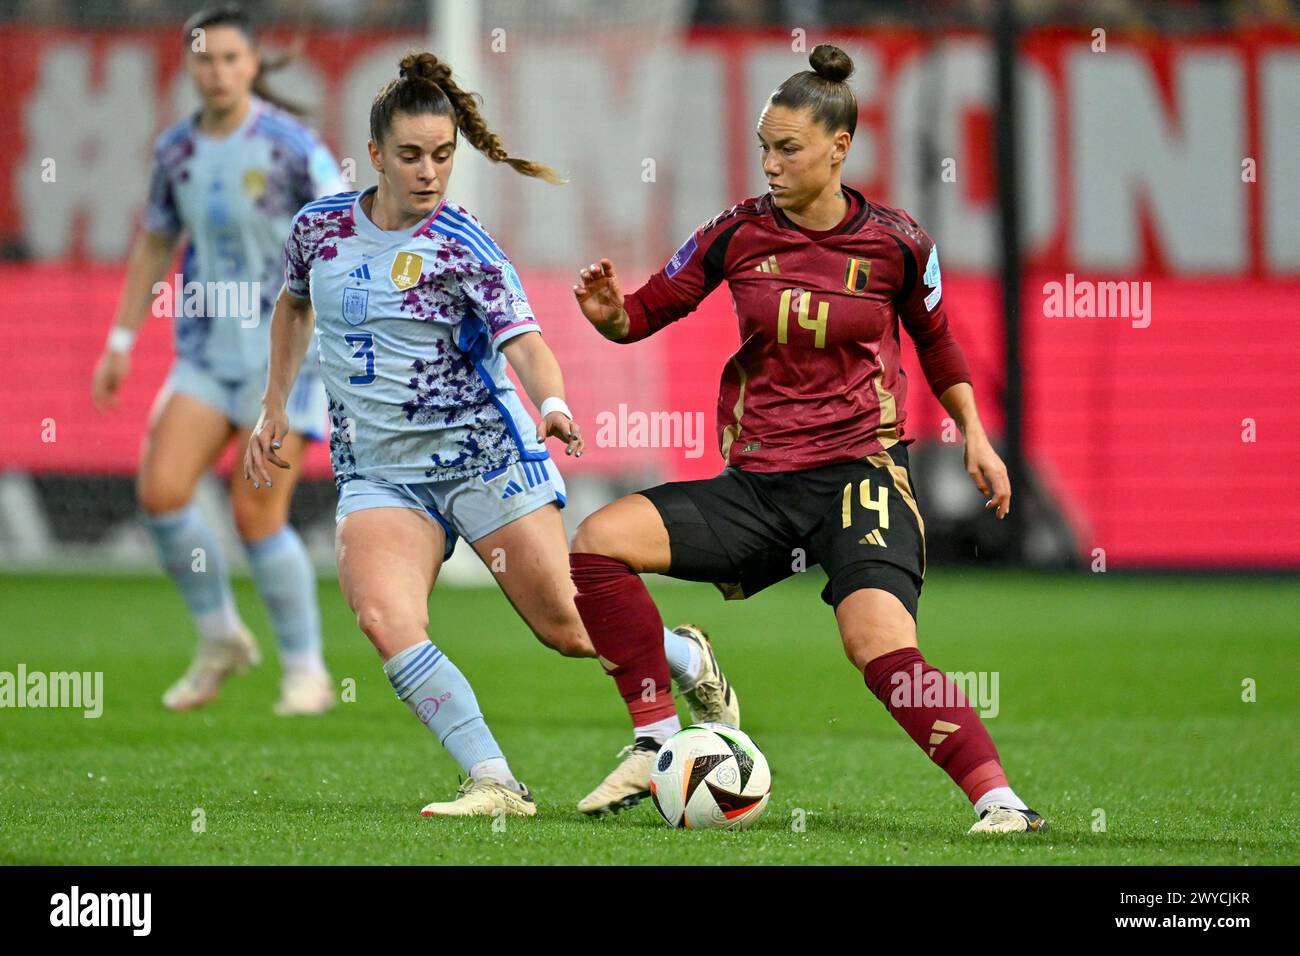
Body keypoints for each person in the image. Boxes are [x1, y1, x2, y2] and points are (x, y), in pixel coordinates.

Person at [569, 43, 1047, 834]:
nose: (771, 164)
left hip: (860, 477)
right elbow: (649, 309)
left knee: (877, 644)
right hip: (757, 484)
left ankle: (998, 801)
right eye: (764, 146)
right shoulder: (736, 233)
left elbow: (936, 342)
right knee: (596, 543)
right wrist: (611, 315)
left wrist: (974, 434)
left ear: (840, 147)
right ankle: (655, 741)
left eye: (787, 148)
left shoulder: (899, 241)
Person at [244, 51, 736, 818]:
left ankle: (683, 654)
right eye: (410, 155)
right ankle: (495, 782)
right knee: (384, 619)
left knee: (571, 630)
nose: (429, 171)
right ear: (373, 155)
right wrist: (275, 403)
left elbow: (525, 343)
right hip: (379, 473)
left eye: (443, 155)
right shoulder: (318, 230)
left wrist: (553, 403)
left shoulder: (462, 243)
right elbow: (293, 304)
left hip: (484, 461)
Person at [92, 4, 342, 715]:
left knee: (255, 516)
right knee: (161, 493)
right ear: (189, 65)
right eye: (206, 59)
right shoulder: (175, 151)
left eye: (232, 58)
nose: (219, 71)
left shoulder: (293, 147)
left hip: (287, 361)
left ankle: (306, 671)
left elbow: (342, 231)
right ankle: (221, 637)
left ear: (254, 63)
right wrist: (120, 339)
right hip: (205, 352)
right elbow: (155, 243)